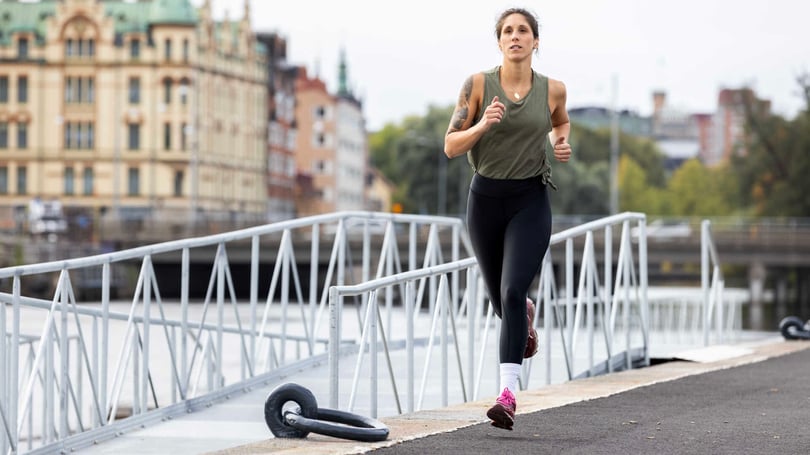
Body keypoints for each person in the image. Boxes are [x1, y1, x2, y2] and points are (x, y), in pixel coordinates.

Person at [443, 7, 571, 431]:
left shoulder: (553, 89)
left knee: (513, 291)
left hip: (530, 200)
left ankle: (507, 396)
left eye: (524, 31)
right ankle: (524, 319)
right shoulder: (477, 84)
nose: (516, 36)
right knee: (501, 301)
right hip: (484, 200)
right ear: (499, 42)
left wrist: (561, 141)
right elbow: (450, 146)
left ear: (536, 42)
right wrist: (482, 125)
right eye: (508, 31)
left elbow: (560, 122)